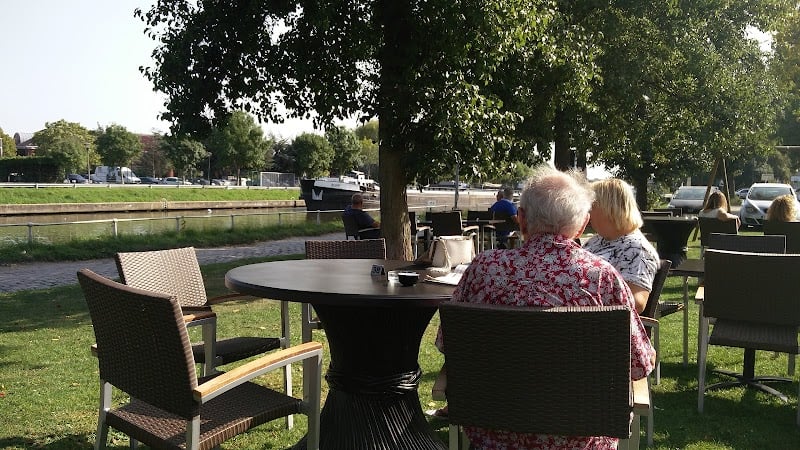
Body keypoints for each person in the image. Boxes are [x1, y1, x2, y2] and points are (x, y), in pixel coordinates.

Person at [435, 165, 654, 449]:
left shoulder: (482, 271)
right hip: (579, 443)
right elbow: (639, 365)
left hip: (495, 439)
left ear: (522, 219)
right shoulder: (603, 278)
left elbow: (448, 344)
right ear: (583, 225)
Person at [583, 178, 660, 314]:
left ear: (608, 208)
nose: (587, 212)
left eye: (592, 205)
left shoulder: (636, 249)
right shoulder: (595, 241)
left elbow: (637, 302)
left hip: (605, 327)